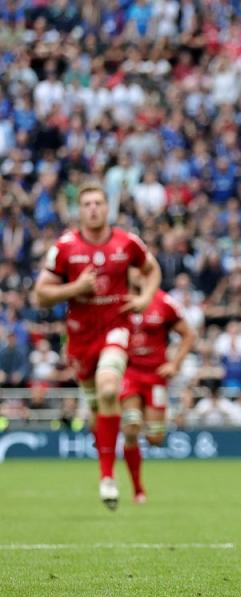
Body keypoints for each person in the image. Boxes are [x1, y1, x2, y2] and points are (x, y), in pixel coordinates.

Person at [34, 182, 161, 510]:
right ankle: (106, 468)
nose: (93, 209)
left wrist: (145, 298)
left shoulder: (126, 242)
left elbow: (152, 270)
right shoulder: (64, 247)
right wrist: (75, 287)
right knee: (96, 407)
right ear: (80, 210)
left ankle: (108, 477)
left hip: (116, 330)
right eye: (87, 203)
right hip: (79, 340)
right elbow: (40, 294)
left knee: (108, 390)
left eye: (98, 203)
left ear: (107, 208)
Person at [118, 276, 197, 503]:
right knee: (131, 427)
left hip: (155, 377)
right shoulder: (118, 299)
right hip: (130, 373)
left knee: (155, 438)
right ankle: (138, 490)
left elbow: (189, 334)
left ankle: (141, 420)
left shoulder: (164, 302)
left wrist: (175, 364)